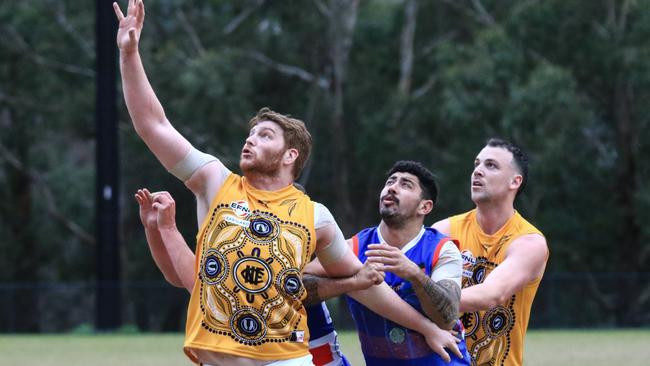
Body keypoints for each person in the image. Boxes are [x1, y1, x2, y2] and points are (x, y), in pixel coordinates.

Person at [115, 1, 460, 364]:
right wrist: (129, 54)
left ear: (290, 155)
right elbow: (153, 125)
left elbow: (367, 286)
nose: (250, 140)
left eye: (265, 136)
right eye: (251, 134)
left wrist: (426, 326)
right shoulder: (214, 181)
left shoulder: (316, 217)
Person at [303, 161, 470, 365]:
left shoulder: (443, 249)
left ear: (424, 206)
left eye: (406, 184)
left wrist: (414, 275)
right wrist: (351, 283)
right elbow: (297, 285)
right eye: (390, 181)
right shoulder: (353, 248)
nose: (392, 187)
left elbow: (448, 318)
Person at [432, 138, 549, 366]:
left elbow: (492, 294)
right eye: (477, 164)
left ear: (515, 181)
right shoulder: (443, 231)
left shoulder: (529, 243)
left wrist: (424, 297)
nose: (478, 171)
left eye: (491, 165)